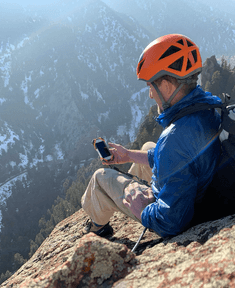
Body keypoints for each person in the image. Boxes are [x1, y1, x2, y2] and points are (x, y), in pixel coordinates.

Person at [81, 34, 222, 238]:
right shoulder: (209, 106)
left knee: (100, 178)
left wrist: (142, 210)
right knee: (148, 147)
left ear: (166, 85)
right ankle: (131, 186)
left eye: (150, 86)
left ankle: (97, 227)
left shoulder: (174, 138)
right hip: (204, 192)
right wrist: (129, 155)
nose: (150, 94)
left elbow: (171, 222)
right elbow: (181, 156)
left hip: (183, 211)